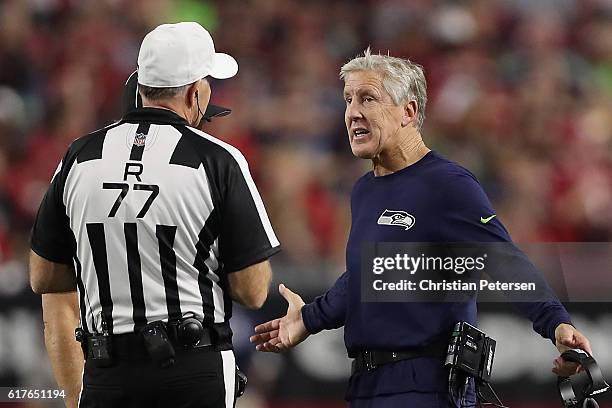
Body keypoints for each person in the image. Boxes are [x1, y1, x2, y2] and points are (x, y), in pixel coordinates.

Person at [250, 49, 592, 407]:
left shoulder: (447, 184)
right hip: (365, 385)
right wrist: (307, 319)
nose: (352, 112)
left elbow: (503, 259)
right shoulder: (365, 190)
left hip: (426, 386)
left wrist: (555, 322)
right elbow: (365, 277)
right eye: (349, 100)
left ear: (408, 112)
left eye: (368, 98)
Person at [30, 21, 280, 408]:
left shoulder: (79, 156)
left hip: (107, 371)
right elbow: (252, 289)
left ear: (140, 85)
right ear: (196, 92)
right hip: (193, 367)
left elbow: (44, 275)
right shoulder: (218, 159)